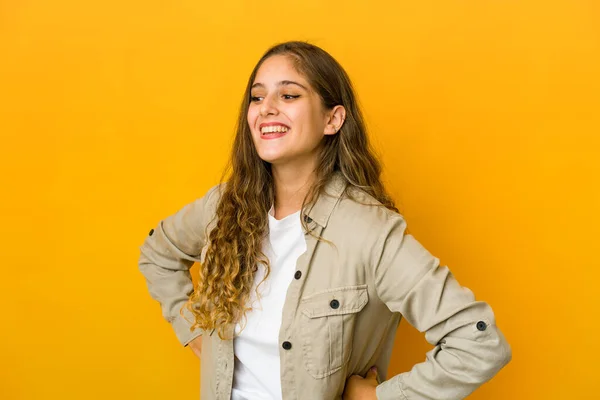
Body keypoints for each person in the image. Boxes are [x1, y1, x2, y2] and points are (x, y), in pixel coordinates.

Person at [138, 41, 511, 400]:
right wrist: (191, 331)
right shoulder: (223, 207)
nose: (266, 108)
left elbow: (478, 342)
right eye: (257, 96)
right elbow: (158, 253)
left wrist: (382, 397)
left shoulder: (369, 232)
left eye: (288, 95)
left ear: (332, 119)